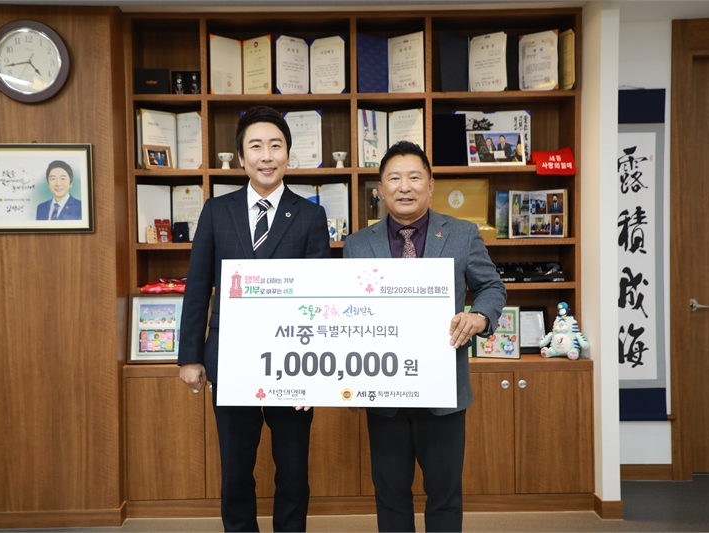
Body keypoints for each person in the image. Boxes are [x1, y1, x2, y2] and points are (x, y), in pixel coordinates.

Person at [178, 106, 331, 532]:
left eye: (276, 146)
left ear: (288, 155)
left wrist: (315, 374)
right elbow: (198, 286)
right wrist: (189, 357)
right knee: (235, 470)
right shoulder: (216, 210)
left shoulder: (310, 215)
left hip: (294, 364)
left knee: (293, 470)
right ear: (241, 157)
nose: (267, 156)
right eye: (256, 146)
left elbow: (319, 297)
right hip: (231, 359)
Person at [343, 141, 506, 532]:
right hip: (384, 392)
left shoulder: (462, 234)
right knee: (391, 495)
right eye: (394, 178)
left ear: (430, 186)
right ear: (380, 189)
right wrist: (347, 379)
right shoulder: (358, 244)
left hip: (443, 391)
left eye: (414, 177)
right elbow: (347, 311)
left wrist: (479, 316)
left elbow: (491, 287)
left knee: (445, 496)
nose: (405, 187)